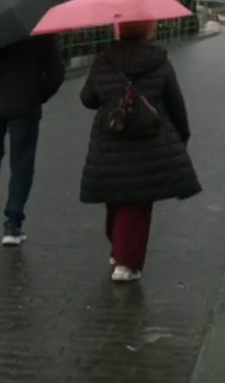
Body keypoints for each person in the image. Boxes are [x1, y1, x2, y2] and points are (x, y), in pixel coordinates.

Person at [78, 20, 202, 282]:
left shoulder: (104, 60)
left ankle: (117, 248)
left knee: (116, 193)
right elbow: (175, 102)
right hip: (149, 141)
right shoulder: (159, 61)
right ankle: (126, 262)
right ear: (148, 30)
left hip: (112, 137)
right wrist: (182, 136)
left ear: (119, 29)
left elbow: (87, 98)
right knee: (138, 200)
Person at [0, 35, 65, 246]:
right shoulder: (41, 31)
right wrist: (37, 96)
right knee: (22, 164)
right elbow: (56, 74)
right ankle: (13, 225)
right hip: (25, 105)